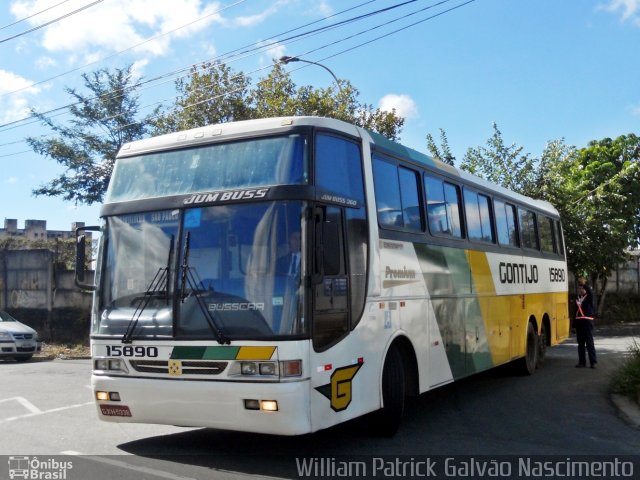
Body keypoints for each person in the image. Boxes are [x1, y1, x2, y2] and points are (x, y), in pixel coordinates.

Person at [575, 278, 597, 368]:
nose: (580, 290)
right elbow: (575, 313)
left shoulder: (589, 298)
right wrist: (573, 326)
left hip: (587, 322)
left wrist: (584, 284)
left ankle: (593, 362)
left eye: (582, 288)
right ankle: (582, 362)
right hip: (579, 322)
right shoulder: (578, 299)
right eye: (579, 289)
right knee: (580, 343)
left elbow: (590, 291)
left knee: (589, 342)